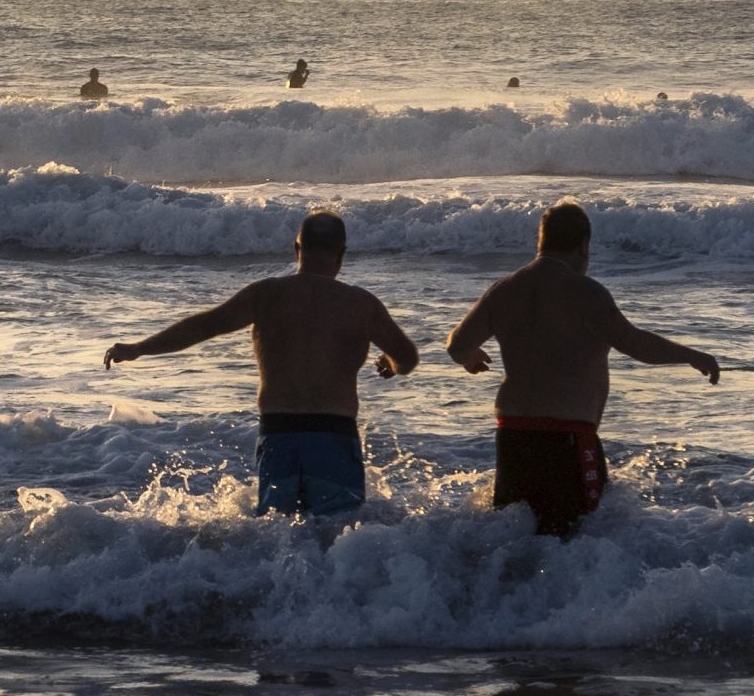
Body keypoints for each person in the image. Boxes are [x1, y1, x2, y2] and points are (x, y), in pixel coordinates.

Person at [104, 210, 419, 521]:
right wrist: (391, 363)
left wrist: (138, 348)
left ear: (297, 250)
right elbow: (408, 357)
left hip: (279, 434)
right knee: (337, 536)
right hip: (332, 436)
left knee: (275, 537)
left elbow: (202, 327)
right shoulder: (361, 304)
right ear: (342, 254)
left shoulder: (266, 294)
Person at [446, 202, 718, 540]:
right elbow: (634, 343)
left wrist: (470, 358)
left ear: (541, 242)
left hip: (512, 435)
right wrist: (691, 355)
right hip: (566, 440)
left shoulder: (504, 289)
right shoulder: (586, 292)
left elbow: (456, 345)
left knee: (514, 541)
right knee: (577, 542)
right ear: (583, 246)